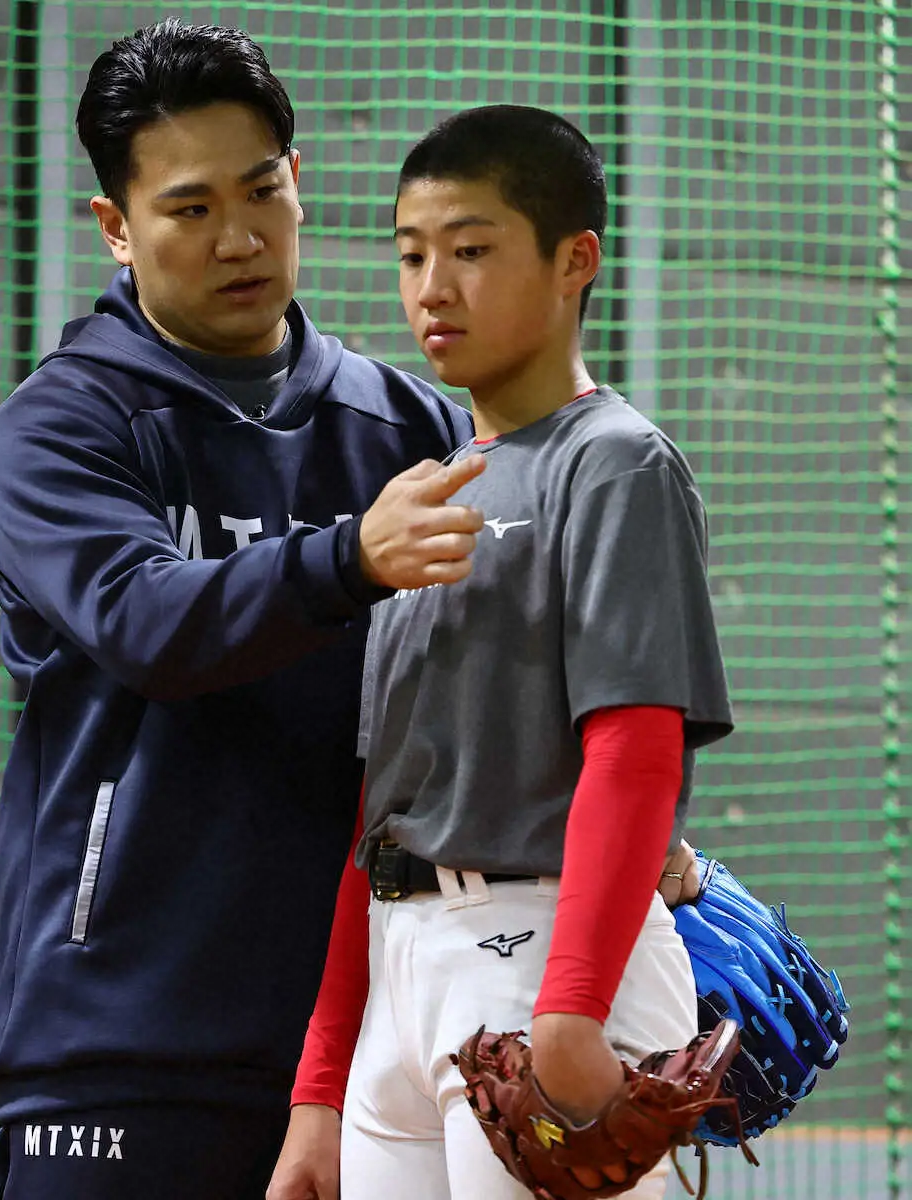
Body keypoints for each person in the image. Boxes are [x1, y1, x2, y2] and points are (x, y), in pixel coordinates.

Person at [0, 19, 482, 1200]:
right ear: (118, 227)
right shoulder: (59, 430)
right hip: (117, 1056)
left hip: (376, 1050)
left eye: (263, 190)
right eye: (190, 208)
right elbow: (149, 623)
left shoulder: (416, 432)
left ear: (300, 181)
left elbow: (501, 681)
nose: (241, 238)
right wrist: (351, 555)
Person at [268, 105, 732, 1200]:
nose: (433, 286)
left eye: (471, 250)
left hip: (543, 964)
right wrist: (320, 1089)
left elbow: (634, 749)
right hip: (400, 971)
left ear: (576, 262)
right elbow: (378, 808)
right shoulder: (420, 497)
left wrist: (572, 1008)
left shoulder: (614, 463)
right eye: (412, 253)